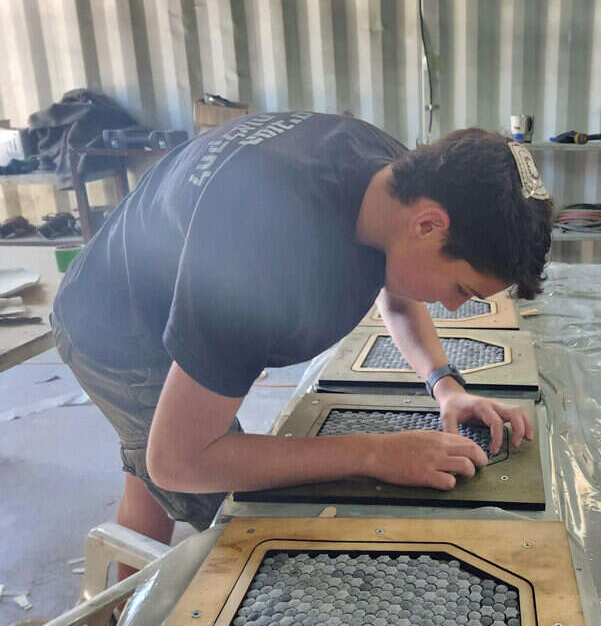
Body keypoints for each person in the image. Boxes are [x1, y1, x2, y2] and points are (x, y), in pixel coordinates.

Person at [51, 112, 553, 577]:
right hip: (117, 326)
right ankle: (132, 606)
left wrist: (446, 387)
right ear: (429, 225)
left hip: (164, 268)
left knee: (151, 471)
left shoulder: (398, 180)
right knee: (239, 516)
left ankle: (120, 598)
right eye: (461, 288)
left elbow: (399, 292)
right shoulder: (263, 252)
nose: (453, 307)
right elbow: (178, 458)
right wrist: (373, 454)